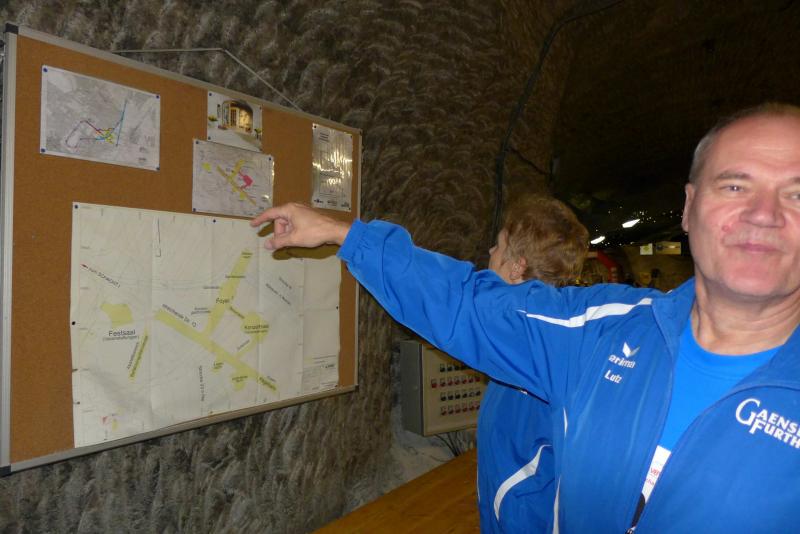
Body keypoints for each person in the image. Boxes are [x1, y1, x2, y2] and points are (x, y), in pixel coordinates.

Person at [252, 103, 800, 532]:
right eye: (735, 185)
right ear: (688, 206)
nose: (763, 215)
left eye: (796, 194)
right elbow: (465, 301)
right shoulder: (597, 333)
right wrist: (345, 234)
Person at [478, 195, 587, 533]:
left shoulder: (532, 356)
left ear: (516, 267)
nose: (490, 252)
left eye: (499, 246)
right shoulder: (527, 342)